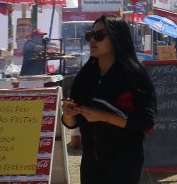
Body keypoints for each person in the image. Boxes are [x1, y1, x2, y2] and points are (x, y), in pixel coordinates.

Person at [61, 15, 157, 183]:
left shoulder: (133, 74)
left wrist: (103, 116)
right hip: (91, 162)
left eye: (99, 36)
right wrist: (69, 114)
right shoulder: (85, 76)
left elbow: (146, 121)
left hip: (124, 162)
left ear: (116, 38)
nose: (92, 40)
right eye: (90, 35)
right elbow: (72, 123)